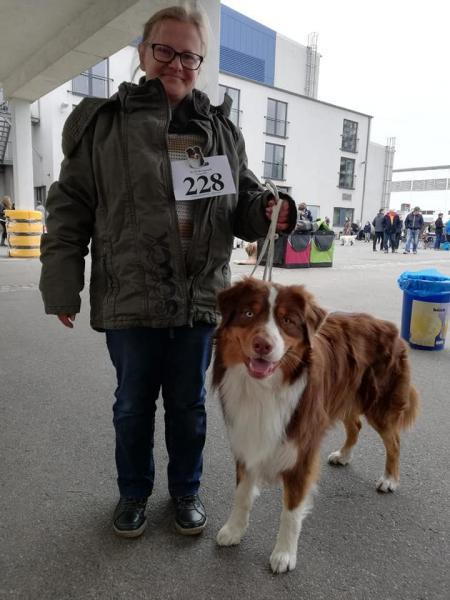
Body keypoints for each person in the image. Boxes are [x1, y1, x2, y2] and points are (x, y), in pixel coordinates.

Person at [39, 5, 296, 540]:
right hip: (131, 295)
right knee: (132, 406)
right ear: (142, 52)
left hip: (200, 300)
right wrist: (62, 285)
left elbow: (243, 202)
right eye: (165, 50)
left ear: (200, 63)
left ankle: (185, 492)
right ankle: (133, 492)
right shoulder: (103, 126)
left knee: (188, 406)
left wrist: (269, 209)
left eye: (189, 56)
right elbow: (69, 209)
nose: (177, 64)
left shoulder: (221, 131)